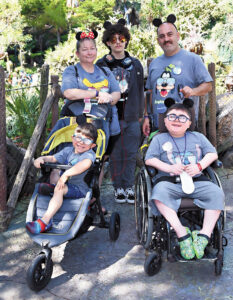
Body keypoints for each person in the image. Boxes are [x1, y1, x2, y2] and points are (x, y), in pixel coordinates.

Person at [145, 99, 224, 260]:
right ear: (165, 121)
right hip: (169, 181)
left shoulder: (198, 137)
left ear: (189, 123)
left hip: (196, 179)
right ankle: (183, 234)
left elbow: (212, 154)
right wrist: (169, 168)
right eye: (172, 116)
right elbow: (149, 159)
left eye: (182, 118)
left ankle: (203, 236)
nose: (176, 120)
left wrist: (200, 166)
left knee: (217, 193)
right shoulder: (159, 139)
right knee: (158, 194)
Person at [96, 19, 144, 204]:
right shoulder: (102, 65)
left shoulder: (135, 64)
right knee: (115, 154)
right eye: (113, 39)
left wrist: (143, 115)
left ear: (126, 40)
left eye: (121, 38)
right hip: (110, 117)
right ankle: (118, 188)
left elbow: (141, 90)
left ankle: (129, 186)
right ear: (108, 42)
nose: (118, 42)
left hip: (132, 116)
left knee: (131, 153)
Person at [143, 14, 213, 136]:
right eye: (162, 36)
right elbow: (149, 92)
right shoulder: (154, 63)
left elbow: (208, 86)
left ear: (178, 36)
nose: (166, 39)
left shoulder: (193, 59)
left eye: (170, 34)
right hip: (159, 125)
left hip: (184, 124)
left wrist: (193, 91)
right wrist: (146, 117)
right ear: (158, 40)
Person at [26, 123, 97, 234]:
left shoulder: (89, 154)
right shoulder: (68, 151)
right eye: (78, 137)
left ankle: (45, 221)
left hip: (79, 188)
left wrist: (66, 174)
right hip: (65, 184)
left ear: (92, 145)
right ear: (72, 138)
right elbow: (53, 158)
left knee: (60, 187)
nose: (81, 142)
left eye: (87, 140)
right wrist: (41, 158)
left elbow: (85, 164)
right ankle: (53, 189)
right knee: (54, 172)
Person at [60, 29, 121, 144]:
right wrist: (97, 94)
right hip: (79, 127)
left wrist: (108, 98)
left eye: (92, 49)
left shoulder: (105, 71)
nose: (89, 52)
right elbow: (69, 92)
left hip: (106, 124)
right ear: (77, 53)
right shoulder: (71, 71)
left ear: (96, 51)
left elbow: (116, 93)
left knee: (100, 158)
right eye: (85, 49)